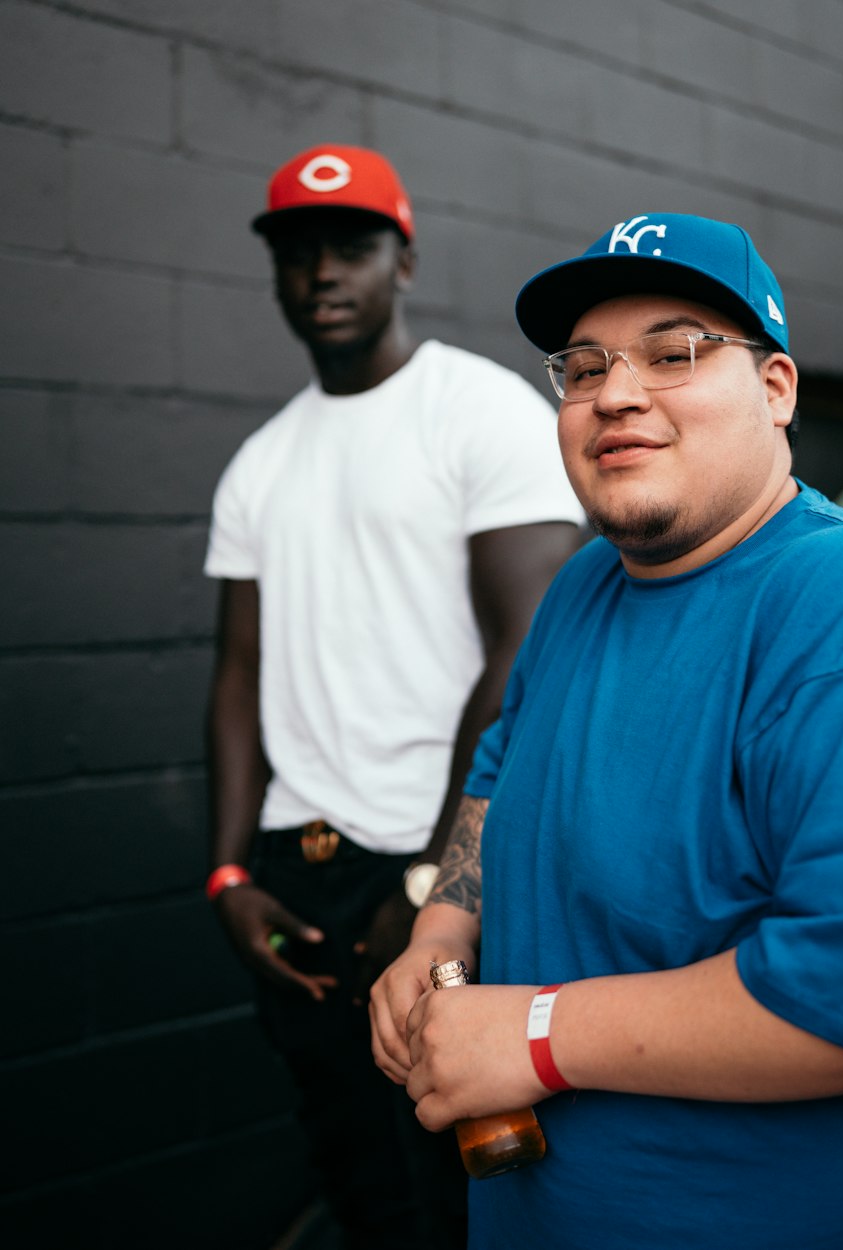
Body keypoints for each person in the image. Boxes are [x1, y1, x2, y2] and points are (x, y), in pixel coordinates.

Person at [370, 212, 843, 1249]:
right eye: (581, 368)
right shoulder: (584, 586)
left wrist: (529, 1034)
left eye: (673, 353)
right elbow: (501, 763)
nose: (614, 393)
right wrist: (439, 932)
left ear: (776, 388)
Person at [203, 143, 583, 1250]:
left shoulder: (478, 411)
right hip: (297, 879)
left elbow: (526, 647)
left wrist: (429, 881)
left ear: (401, 259)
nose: (322, 272)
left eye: (351, 245)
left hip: (442, 872)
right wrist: (228, 874)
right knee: (357, 1176)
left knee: (469, 1185)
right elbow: (235, 677)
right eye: (297, 251)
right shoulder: (258, 464)